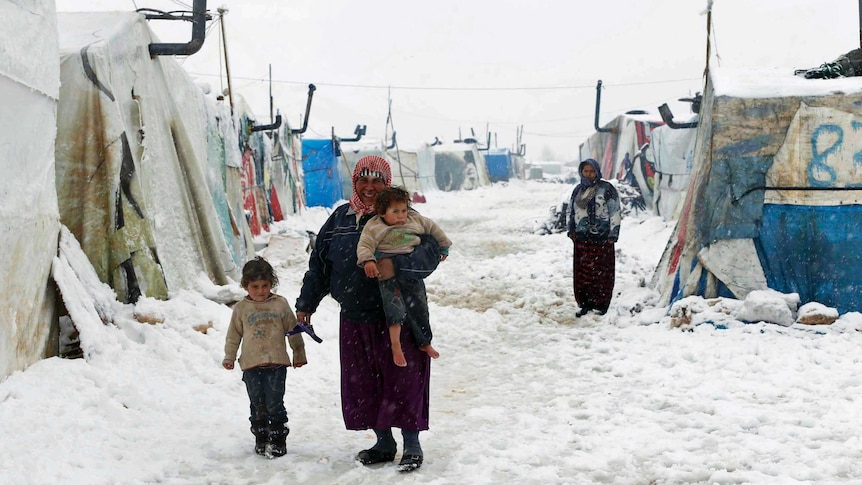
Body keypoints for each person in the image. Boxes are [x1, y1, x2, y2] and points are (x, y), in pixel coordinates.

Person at [295, 155, 441, 473]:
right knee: (365, 382)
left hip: (401, 315)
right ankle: (384, 442)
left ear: (387, 185)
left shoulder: (405, 217)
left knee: (404, 379)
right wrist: (306, 304)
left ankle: (412, 445)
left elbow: (430, 257)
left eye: (378, 181)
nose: (370, 187)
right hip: (355, 315)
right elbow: (319, 266)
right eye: (364, 180)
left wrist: (395, 265)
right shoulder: (339, 220)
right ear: (355, 183)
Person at [357, 185, 451, 367]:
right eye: (395, 211)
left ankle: (425, 342)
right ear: (382, 212)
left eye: (403, 210)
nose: (401, 215)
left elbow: (434, 229)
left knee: (420, 308)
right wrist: (368, 261)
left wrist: (444, 246)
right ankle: (396, 346)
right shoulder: (374, 226)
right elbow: (365, 245)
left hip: (411, 274)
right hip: (388, 277)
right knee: (395, 310)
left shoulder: (415, 220)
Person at [222, 256, 307, 458]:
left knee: (275, 403)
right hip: (251, 364)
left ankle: (278, 439)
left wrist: (298, 353)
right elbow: (233, 335)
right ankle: (261, 437)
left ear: (271, 284)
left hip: (276, 363)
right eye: (255, 286)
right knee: (257, 403)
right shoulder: (241, 309)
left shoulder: (280, 305)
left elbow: (293, 330)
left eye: (265, 285)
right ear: (245, 286)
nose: (260, 291)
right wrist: (229, 356)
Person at [567, 158, 621, 317]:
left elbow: (615, 211)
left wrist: (613, 232)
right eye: (586, 171)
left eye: (592, 171)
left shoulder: (606, 189)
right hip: (582, 239)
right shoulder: (578, 190)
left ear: (597, 172)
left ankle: (600, 304)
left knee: (601, 272)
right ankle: (584, 303)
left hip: (602, 239)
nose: (589, 174)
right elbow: (571, 211)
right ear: (581, 172)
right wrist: (571, 230)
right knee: (583, 272)